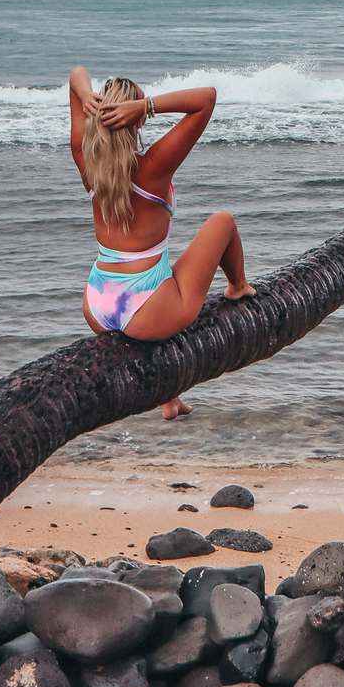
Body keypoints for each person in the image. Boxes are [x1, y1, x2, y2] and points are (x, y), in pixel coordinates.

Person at [69, 66, 254, 421]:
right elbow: (206, 99)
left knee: (158, 293)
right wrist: (148, 106)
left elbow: (76, 72)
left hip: (97, 302)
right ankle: (239, 287)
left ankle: (169, 400)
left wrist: (85, 95)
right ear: (135, 121)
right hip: (148, 305)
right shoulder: (153, 167)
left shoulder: (86, 162)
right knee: (222, 222)